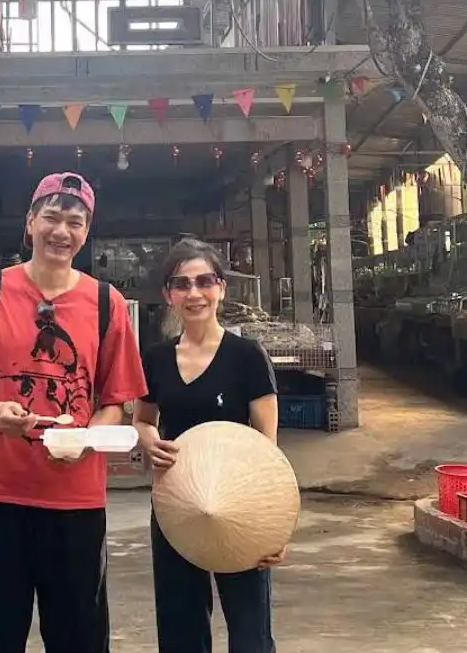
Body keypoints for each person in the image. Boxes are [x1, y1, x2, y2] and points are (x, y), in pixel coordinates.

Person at [0, 172, 147, 653]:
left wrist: (85, 437)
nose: (62, 231)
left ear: (86, 231)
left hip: (74, 501)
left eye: (74, 222)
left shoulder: (106, 303)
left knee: (79, 636)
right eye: (52, 218)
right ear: (30, 221)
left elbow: (116, 404)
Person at [133, 238, 282, 653]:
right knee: (181, 626)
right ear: (169, 295)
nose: (194, 293)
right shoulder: (157, 359)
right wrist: (149, 440)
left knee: (250, 630)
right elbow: (142, 421)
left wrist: (275, 524)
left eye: (204, 281)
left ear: (221, 288)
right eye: (181, 284)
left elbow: (268, 451)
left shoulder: (247, 357)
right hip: (176, 506)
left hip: (239, 508)